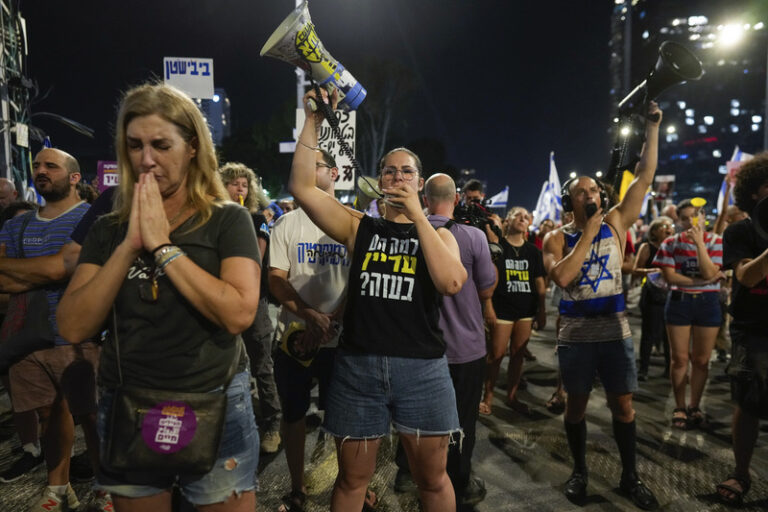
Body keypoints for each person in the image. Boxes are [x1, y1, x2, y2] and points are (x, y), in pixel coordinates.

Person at [56, 83, 261, 512]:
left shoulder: (227, 219)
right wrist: (131, 243)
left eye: (161, 145)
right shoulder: (109, 228)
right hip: (130, 404)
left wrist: (164, 248)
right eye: (134, 145)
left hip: (215, 400)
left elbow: (239, 313)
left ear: (191, 148)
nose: (146, 159)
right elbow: (73, 324)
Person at [289, 88, 466, 512]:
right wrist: (312, 118)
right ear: (379, 180)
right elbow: (301, 187)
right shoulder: (358, 227)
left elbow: (451, 283)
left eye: (407, 172)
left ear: (420, 184)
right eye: (389, 172)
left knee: (433, 480)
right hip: (359, 366)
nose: (398, 178)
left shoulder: (441, 235)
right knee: (352, 480)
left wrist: (418, 216)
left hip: (422, 368)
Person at [542, 101, 661, 510]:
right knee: (575, 405)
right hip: (577, 336)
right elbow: (561, 277)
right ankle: (580, 471)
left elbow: (645, 176)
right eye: (583, 192)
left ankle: (630, 476)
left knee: (623, 406)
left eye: (595, 189)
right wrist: (589, 233)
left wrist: (652, 128)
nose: (592, 194)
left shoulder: (616, 221)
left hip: (614, 331)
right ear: (570, 202)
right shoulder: (557, 238)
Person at [0, 148, 98, 511]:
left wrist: (24, 271)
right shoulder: (16, 223)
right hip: (28, 336)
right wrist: (52, 270)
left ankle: (105, 486)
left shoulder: (91, 219)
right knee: (47, 416)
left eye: (50, 166)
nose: (41, 171)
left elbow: (72, 269)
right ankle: (59, 490)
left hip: (81, 334)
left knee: (91, 414)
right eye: (37, 166)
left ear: (74, 177)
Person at [395, 173, 496, 506]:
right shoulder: (474, 236)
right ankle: (458, 482)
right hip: (465, 349)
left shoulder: (409, 234)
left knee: (415, 419)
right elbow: (487, 288)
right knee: (462, 422)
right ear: (456, 199)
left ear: (425, 199)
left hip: (418, 349)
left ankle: (410, 473)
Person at [268, 149, 352, 512]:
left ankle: (351, 486)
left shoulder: (352, 221)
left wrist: (330, 319)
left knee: (344, 420)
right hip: (293, 339)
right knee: (294, 415)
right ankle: (297, 485)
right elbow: (276, 279)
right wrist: (308, 316)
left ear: (333, 172)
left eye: (313, 165)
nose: (303, 171)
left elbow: (361, 281)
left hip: (339, 341)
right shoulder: (287, 224)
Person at [715, 153, 768, 505]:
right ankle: (741, 473)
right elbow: (747, 276)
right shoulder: (740, 231)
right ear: (754, 193)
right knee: (749, 404)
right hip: (754, 330)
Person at [219, 162, 282, 454]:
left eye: (244, 185)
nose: (240, 189)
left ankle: (272, 425)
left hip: (253, 301)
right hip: (220, 299)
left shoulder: (256, 219)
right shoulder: (214, 217)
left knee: (262, 365)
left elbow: (255, 259)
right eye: (234, 184)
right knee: (224, 365)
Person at [652, 198, 723, 429]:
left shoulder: (717, 242)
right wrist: (704, 280)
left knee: (701, 360)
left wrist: (700, 245)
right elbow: (670, 277)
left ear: (703, 217)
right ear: (678, 220)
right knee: (679, 358)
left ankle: (695, 405)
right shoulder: (670, 243)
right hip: (679, 303)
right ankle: (680, 406)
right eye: (685, 218)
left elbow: (711, 269)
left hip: (708, 303)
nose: (690, 222)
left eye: (695, 216)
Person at [480, 207, 546, 416]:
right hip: (502, 309)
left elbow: (539, 281)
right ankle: (487, 398)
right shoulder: (499, 248)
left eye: (526, 217)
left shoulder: (533, 251)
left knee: (518, 355)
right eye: (518, 215)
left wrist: (542, 310)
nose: (522, 218)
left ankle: (511, 397)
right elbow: (488, 280)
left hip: (525, 309)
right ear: (508, 220)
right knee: (496, 354)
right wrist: (488, 306)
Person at [632, 216, 674, 380]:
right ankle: (643, 369)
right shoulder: (647, 247)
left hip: (670, 294)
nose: (668, 228)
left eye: (670, 226)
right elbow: (636, 269)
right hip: (652, 295)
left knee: (669, 335)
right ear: (655, 231)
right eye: (664, 226)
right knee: (649, 332)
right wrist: (652, 272)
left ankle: (669, 369)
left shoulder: (673, 246)